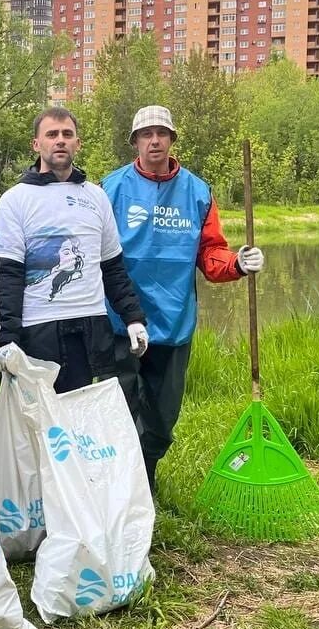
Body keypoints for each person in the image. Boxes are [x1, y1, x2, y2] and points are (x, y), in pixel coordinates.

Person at [101, 105, 264, 494]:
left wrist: (238, 263)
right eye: (146, 134)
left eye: (161, 133)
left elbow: (211, 256)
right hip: (119, 322)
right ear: (135, 142)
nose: (154, 140)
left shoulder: (197, 192)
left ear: (172, 139)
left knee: (162, 416)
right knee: (120, 411)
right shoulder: (111, 189)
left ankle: (148, 473)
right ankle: (123, 489)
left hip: (174, 323)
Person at [0, 106, 148, 393]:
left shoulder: (96, 197)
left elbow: (112, 268)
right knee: (37, 425)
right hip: (37, 329)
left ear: (78, 143)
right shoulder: (14, 200)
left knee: (80, 424)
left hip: (89, 328)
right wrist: (6, 338)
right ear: (36, 144)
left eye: (67, 134)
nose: (60, 140)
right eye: (52, 134)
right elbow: (7, 277)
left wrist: (133, 318)